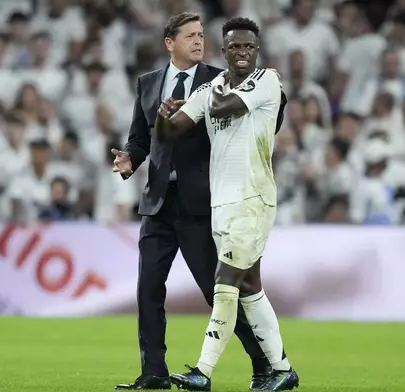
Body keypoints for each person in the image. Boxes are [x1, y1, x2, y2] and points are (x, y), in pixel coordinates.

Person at [112, 12, 286, 391]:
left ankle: (263, 364)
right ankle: (154, 374)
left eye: (201, 35)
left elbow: (265, 113)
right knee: (148, 291)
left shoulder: (220, 79)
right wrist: (130, 158)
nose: (198, 41)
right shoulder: (148, 84)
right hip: (157, 202)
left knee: (218, 290)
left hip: (204, 205)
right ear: (169, 42)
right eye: (189, 35)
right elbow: (143, 137)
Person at [155, 17, 299, 391]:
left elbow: (222, 107)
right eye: (235, 46)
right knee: (250, 288)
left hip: (252, 198)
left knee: (226, 283)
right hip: (222, 203)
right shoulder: (212, 86)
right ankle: (282, 370)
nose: (242, 52)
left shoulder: (267, 80)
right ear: (225, 49)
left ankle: (202, 371)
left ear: (257, 50)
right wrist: (162, 116)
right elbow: (174, 129)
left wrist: (205, 95)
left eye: (248, 46)